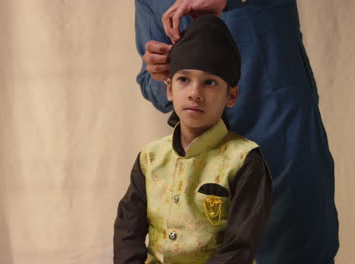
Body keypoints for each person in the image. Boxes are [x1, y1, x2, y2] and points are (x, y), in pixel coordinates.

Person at [135, 0, 339, 263]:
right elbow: (148, 82)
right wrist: (162, 75)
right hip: (201, 163)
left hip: (281, 140)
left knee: (296, 250)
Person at [114, 15, 272, 264]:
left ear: (231, 96)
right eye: (184, 80)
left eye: (210, 83)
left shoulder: (245, 161)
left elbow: (240, 246)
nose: (195, 93)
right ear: (169, 88)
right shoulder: (150, 158)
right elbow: (128, 231)